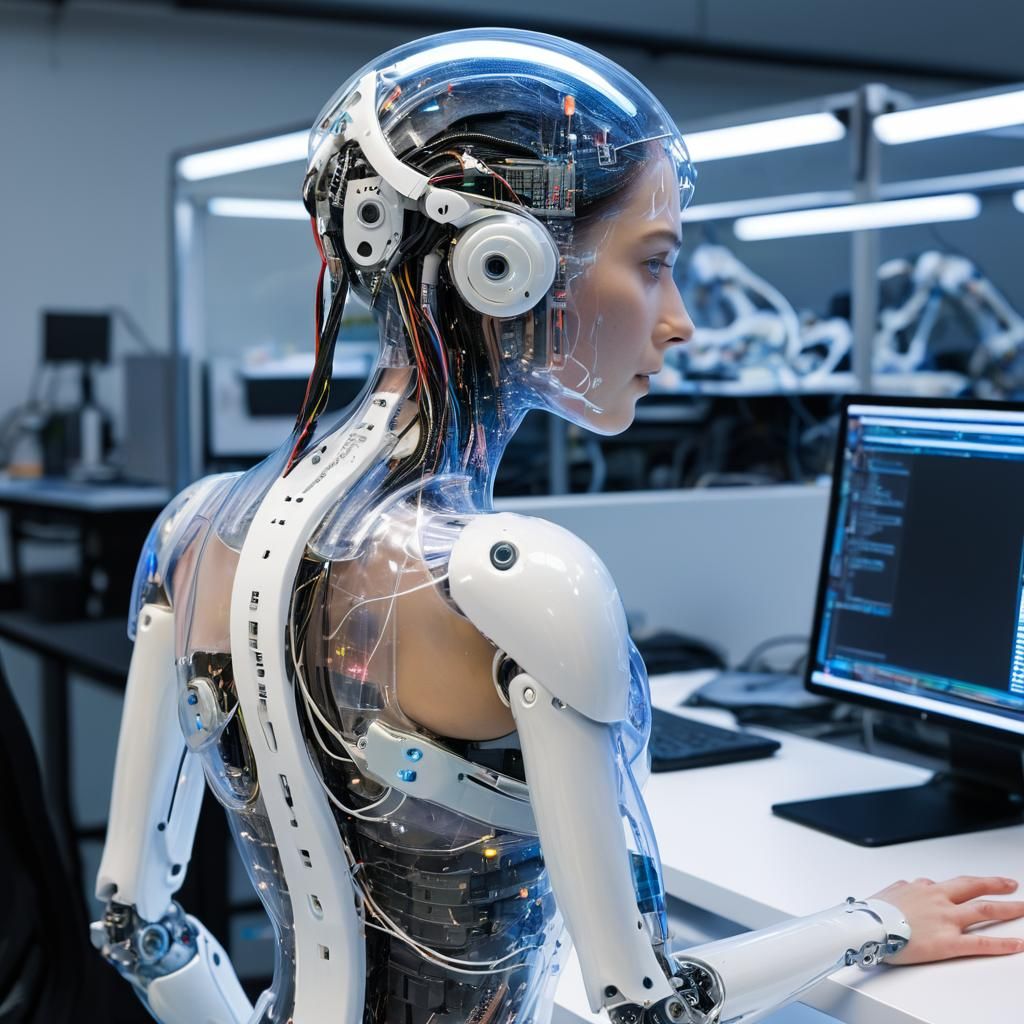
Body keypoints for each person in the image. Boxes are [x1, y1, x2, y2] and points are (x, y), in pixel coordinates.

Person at [92, 28, 1024, 1024]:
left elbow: (133, 922)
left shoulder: (195, 532)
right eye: (655, 263)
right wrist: (871, 918)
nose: (680, 320)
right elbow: (644, 1004)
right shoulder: (515, 580)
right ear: (510, 266)